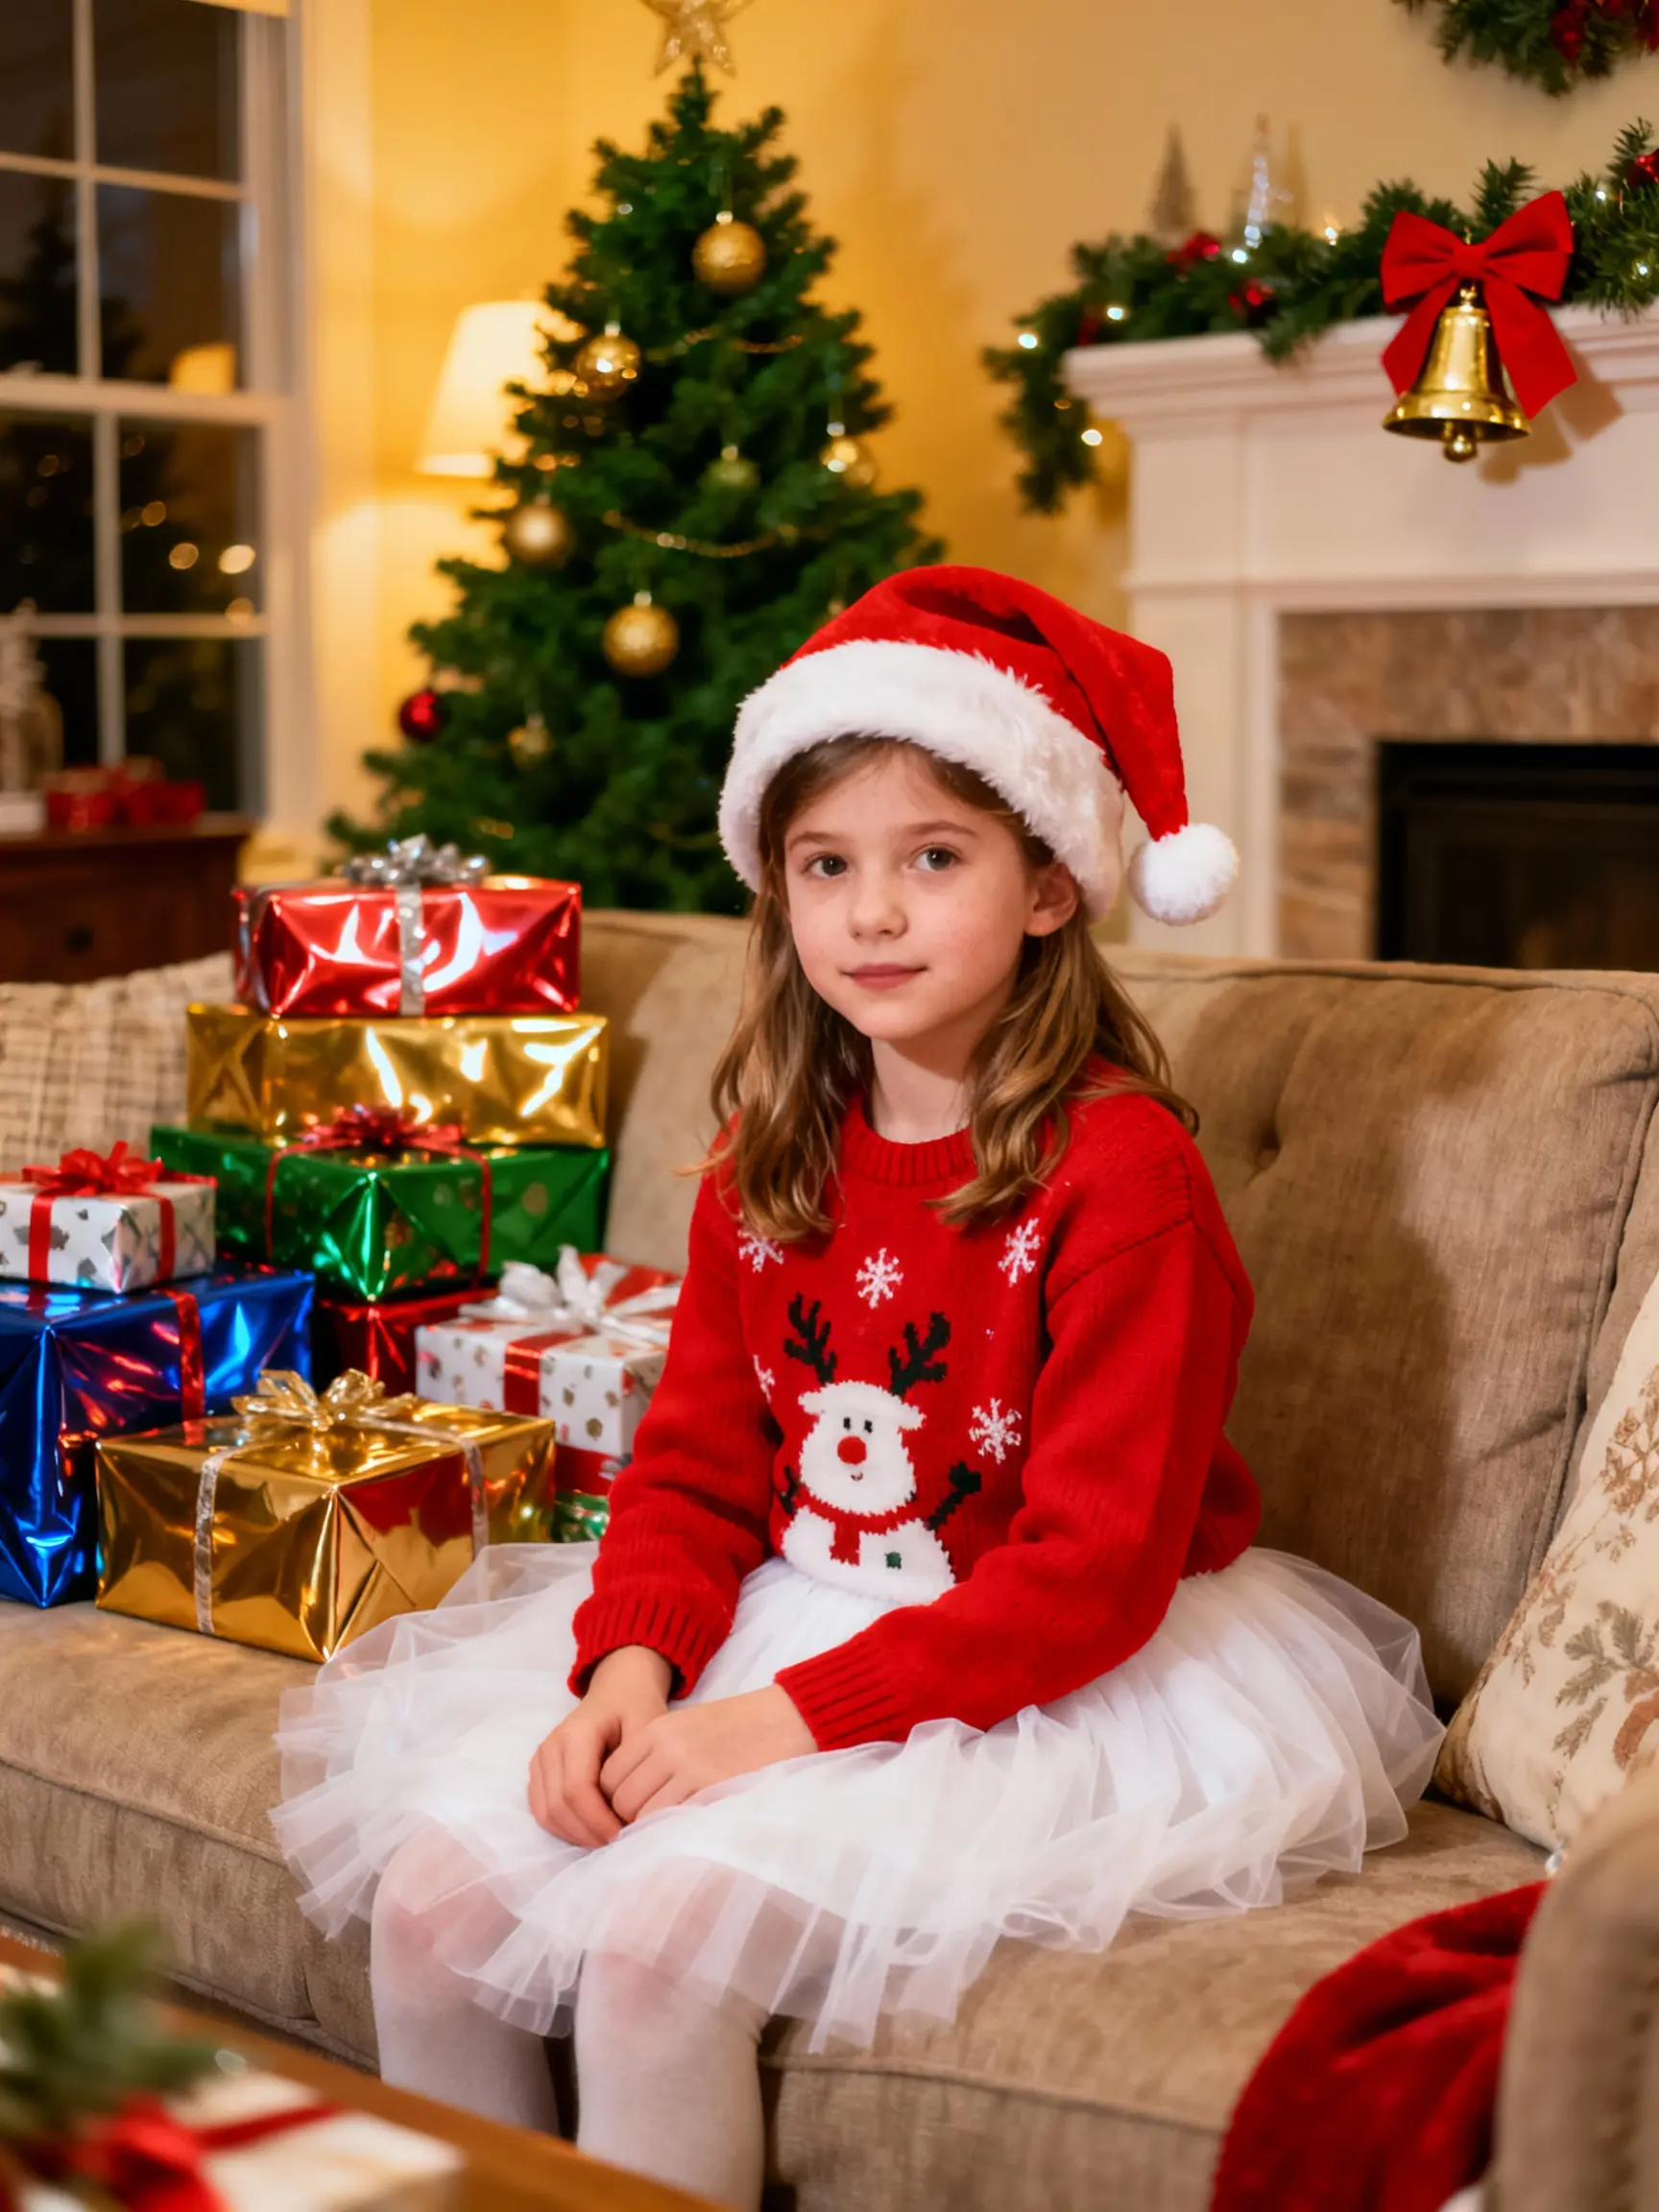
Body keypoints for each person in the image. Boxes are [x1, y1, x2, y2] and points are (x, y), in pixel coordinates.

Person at [274, 565, 1443, 2212]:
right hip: (780, 1609)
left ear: (1049, 886)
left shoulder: (1125, 1181)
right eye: (827, 866)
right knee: (432, 1908)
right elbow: (687, 1472)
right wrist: (628, 1668)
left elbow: (1091, 1571)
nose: (872, 914)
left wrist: (775, 1724)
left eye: (932, 860)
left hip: (1041, 1667)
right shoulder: (771, 1156)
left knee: (664, 1952)